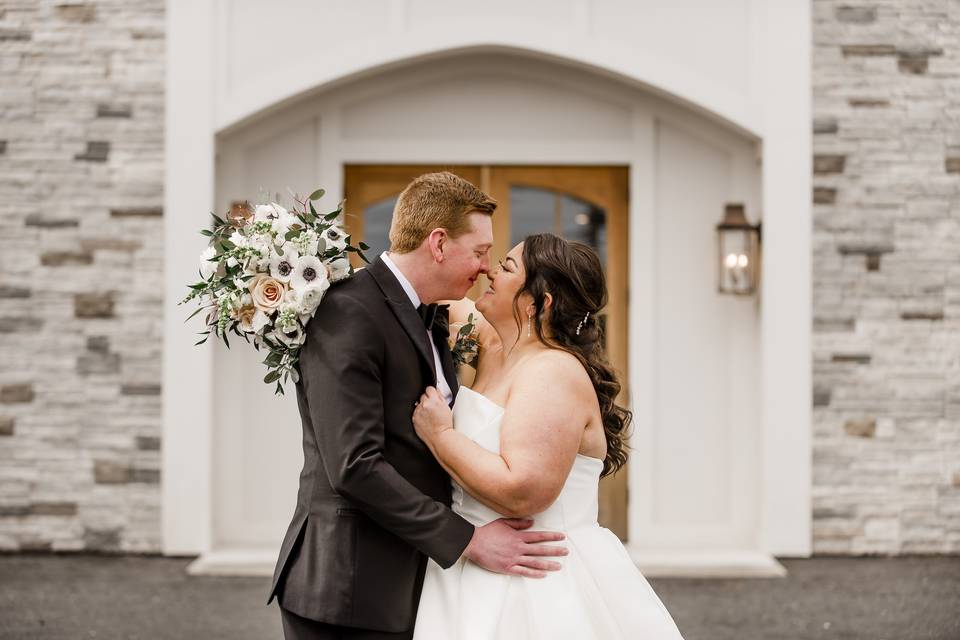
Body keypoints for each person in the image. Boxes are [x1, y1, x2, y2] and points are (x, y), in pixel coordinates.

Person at [267, 173, 568, 640]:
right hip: (348, 588)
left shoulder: (431, 315)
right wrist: (469, 539)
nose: (487, 267)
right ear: (439, 243)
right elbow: (355, 465)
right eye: (481, 250)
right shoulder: (351, 312)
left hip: (409, 582)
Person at [411, 233, 686, 639]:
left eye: (505, 268)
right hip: (470, 567)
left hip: (536, 577)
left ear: (539, 301)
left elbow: (524, 491)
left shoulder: (553, 373)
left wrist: (439, 436)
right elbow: (413, 289)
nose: (489, 270)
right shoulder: (491, 342)